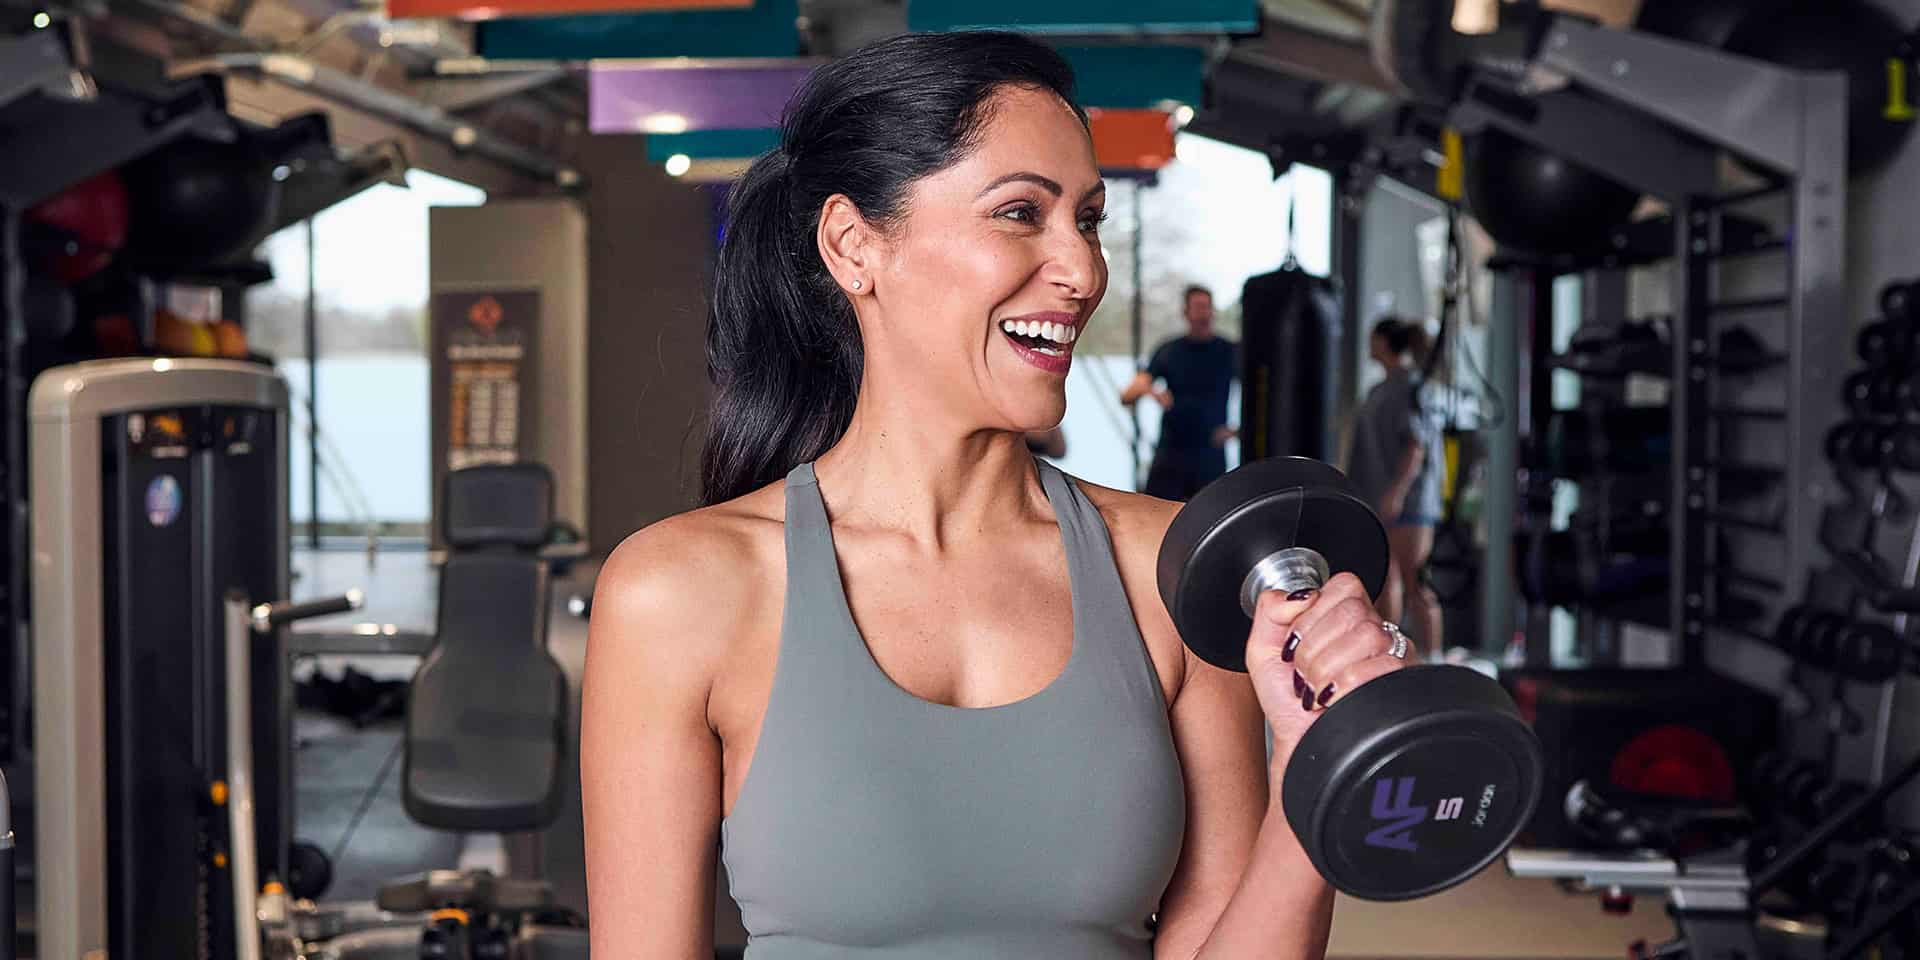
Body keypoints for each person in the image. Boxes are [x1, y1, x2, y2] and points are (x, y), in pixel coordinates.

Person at [582, 31, 1414, 958]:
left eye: (1088, 220)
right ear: (855, 246)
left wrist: (1313, 767)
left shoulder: (1171, 568)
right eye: (1022, 213)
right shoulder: (682, 590)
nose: (1084, 269)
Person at [1345, 317, 1445, 656]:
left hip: (1409, 504)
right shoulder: (1379, 390)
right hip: (1377, 499)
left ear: (1385, 343)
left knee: (1417, 584)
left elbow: (1416, 447)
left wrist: (1397, 493)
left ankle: (1433, 661)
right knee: (1387, 584)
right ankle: (1390, 660)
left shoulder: (1412, 387)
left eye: (1373, 338)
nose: (1368, 344)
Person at [1120, 285, 1239, 501]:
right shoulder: (1169, 351)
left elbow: (1262, 396)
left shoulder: (1229, 351)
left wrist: (1237, 431)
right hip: (1170, 456)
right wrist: (1151, 391)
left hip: (1210, 458)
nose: (1204, 313)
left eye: (1207, 307)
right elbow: (1127, 396)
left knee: (1210, 523)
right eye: (1198, 307)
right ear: (1186, 313)